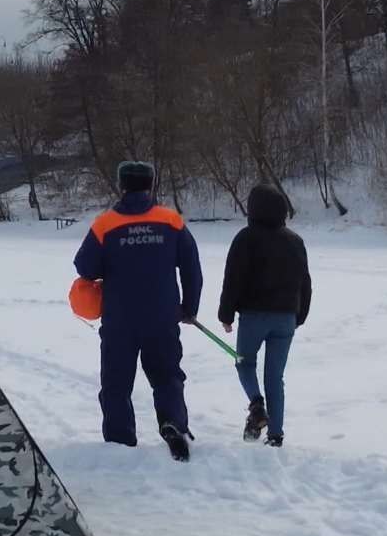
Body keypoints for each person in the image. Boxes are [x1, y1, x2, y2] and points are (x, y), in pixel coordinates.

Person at [74, 161, 203, 462]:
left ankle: (120, 441)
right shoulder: (171, 221)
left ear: (122, 186)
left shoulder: (105, 224)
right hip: (162, 316)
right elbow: (192, 268)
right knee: (167, 376)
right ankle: (173, 423)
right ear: (150, 185)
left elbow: (85, 268)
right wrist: (188, 308)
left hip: (120, 319)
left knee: (116, 382)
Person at [217, 184, 311, 448]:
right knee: (275, 376)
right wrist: (298, 316)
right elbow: (305, 283)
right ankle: (276, 435)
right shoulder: (295, 241)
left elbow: (233, 279)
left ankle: (257, 406)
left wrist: (226, 314)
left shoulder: (246, 238)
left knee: (244, 363)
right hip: (286, 318)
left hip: (254, 315)